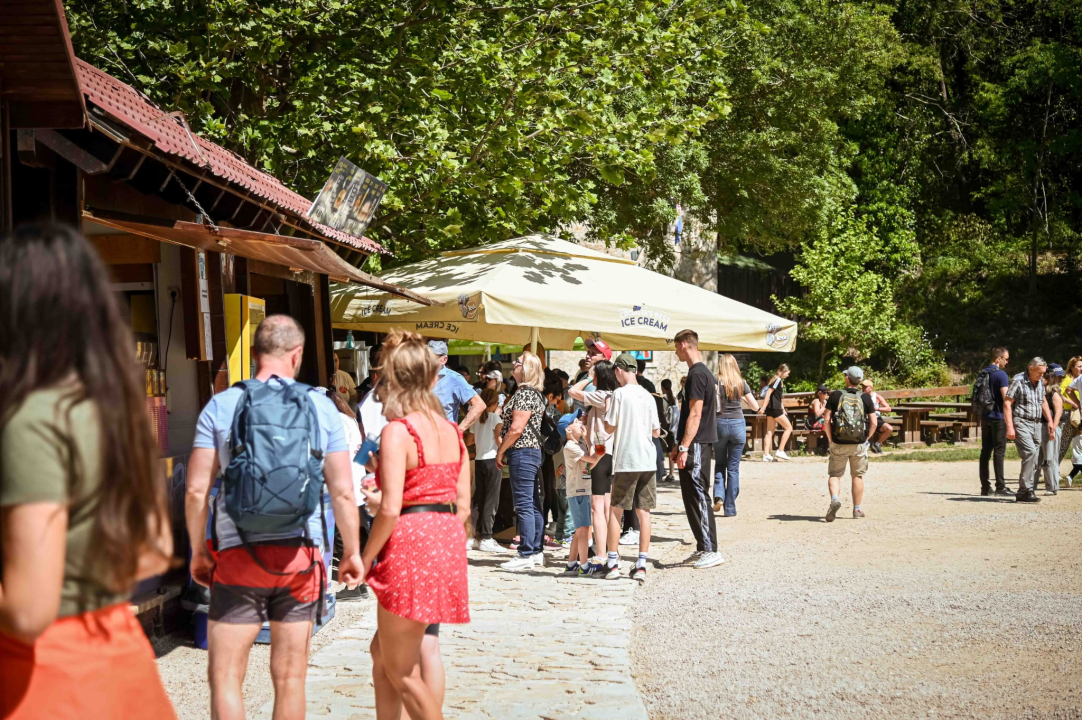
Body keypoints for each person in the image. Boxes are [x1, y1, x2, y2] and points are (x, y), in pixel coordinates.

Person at [0, 224, 176, 720]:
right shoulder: (114, 409)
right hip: (121, 660)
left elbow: (30, 608)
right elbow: (154, 551)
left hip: (47, 679)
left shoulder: (33, 418)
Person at [186, 315, 362, 720]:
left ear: (253, 354)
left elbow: (197, 490)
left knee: (226, 676)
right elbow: (342, 490)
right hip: (302, 559)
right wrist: (351, 551)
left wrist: (199, 549)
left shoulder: (223, 404)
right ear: (297, 355)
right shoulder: (321, 406)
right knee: (289, 679)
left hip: (237, 555)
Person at [360, 329, 470, 720]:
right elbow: (463, 507)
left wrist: (364, 557)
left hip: (411, 544)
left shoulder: (398, 431)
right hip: (446, 541)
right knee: (385, 653)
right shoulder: (453, 431)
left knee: (401, 669)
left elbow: (388, 508)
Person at [603, 353, 662, 582]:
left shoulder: (618, 394)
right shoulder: (648, 396)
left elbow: (609, 428)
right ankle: (641, 563)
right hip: (647, 459)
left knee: (616, 510)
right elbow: (656, 432)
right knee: (644, 512)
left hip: (627, 458)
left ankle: (612, 563)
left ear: (619, 370)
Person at [671, 329, 723, 569]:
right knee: (691, 497)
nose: (675, 351)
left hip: (697, 444)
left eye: (676, 347)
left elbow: (695, 413)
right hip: (693, 443)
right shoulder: (700, 374)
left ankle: (711, 548)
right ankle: (703, 546)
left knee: (699, 494)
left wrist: (684, 446)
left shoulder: (698, 374)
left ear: (684, 345)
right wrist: (678, 444)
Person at [496, 351, 548, 570]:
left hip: (522, 451)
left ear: (525, 369)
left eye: (517, 362)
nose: (514, 364)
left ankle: (526, 553)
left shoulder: (525, 394)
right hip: (531, 451)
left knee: (525, 503)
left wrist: (501, 450)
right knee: (533, 503)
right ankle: (535, 550)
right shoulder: (533, 393)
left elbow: (517, 428)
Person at [568, 359, 618, 576]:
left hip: (599, 453)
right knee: (606, 507)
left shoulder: (602, 395)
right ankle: (608, 551)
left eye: (594, 374)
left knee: (597, 507)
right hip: (610, 453)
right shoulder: (614, 396)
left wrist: (587, 377)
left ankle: (601, 556)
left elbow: (572, 391)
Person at [329, 391, 371, 602]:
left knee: (344, 538)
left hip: (344, 487)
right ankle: (359, 584)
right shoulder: (349, 419)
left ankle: (353, 585)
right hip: (355, 483)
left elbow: (337, 455)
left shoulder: (336, 421)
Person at [822, 366, 877, 521]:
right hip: (858, 443)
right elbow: (873, 422)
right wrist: (867, 438)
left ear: (847, 378)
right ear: (859, 381)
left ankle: (835, 499)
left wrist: (830, 437)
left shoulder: (836, 395)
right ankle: (857, 509)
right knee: (857, 476)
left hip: (838, 441)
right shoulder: (865, 397)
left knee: (835, 474)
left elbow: (826, 419)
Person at [713, 354, 759, 516]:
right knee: (733, 469)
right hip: (737, 425)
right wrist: (743, 400)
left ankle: (719, 495)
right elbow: (755, 407)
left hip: (719, 425)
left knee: (720, 464)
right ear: (734, 365)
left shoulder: (715, 381)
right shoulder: (741, 383)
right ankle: (730, 508)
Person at [558, 411, 602, 575]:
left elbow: (593, 462)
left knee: (580, 529)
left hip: (583, 489)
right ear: (568, 431)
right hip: (578, 491)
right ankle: (584, 566)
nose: (579, 421)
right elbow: (596, 456)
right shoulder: (571, 447)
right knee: (583, 529)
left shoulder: (580, 445)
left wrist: (591, 440)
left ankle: (571, 564)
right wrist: (593, 438)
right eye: (575, 421)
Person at [1004, 357, 1054, 503]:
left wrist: (1049, 420)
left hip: (1037, 424)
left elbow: (1043, 400)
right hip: (1021, 422)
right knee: (1030, 452)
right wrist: (1010, 427)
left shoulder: (1040, 382)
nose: (1041, 375)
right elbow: (1007, 403)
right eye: (1039, 372)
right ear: (1030, 368)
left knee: (1034, 457)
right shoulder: (1018, 380)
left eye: (1043, 373)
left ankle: (1024, 491)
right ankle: (1026, 489)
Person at [469, 388, 505, 553]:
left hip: (479, 460)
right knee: (492, 500)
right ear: (496, 403)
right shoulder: (495, 418)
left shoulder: (477, 418)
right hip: (492, 461)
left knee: (478, 499)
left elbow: (469, 440)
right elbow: (499, 440)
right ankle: (487, 536)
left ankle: (472, 536)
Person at [976, 347, 1013, 497]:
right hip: (998, 416)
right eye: (1006, 359)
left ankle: (985, 487)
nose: (1007, 362)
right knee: (999, 452)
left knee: (985, 451)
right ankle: (1001, 487)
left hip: (985, 415)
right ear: (998, 359)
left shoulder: (983, 373)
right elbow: (1006, 397)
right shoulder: (1001, 375)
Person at [428, 340, 485, 431]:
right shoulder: (419, 376)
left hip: (444, 438)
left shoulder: (454, 378)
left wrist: (459, 431)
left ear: (444, 359)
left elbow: (479, 405)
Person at [758, 364, 792, 461]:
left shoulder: (774, 380)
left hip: (771, 408)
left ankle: (766, 454)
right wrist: (763, 407)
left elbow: (777, 396)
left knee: (770, 431)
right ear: (783, 371)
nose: (788, 375)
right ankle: (780, 450)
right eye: (787, 373)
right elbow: (769, 393)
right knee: (789, 428)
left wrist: (783, 408)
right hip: (774, 408)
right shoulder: (778, 380)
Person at [1040, 364, 1065, 495]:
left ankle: (1052, 486)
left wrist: (1053, 429)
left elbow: (1058, 413)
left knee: (1050, 458)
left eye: (1043, 377)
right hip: (1041, 427)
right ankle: (1050, 485)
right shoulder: (1043, 392)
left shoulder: (1054, 394)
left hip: (1051, 428)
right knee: (1044, 458)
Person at [860, 378, 893, 454]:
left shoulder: (876, 397)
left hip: (876, 418)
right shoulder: (860, 396)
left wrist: (877, 409)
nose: (863, 388)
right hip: (865, 419)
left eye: (865, 386)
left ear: (871, 388)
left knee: (889, 428)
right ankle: (864, 446)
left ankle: (877, 443)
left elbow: (888, 408)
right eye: (862, 386)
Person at [1063, 357, 1082, 483]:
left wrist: (1079, 404)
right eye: (1079, 366)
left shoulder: (1079, 378)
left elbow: (1069, 391)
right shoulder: (1070, 379)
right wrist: (1077, 404)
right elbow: (1065, 391)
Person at [660, 379, 679, 480]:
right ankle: (671, 473)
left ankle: (662, 470)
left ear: (662, 387)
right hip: (673, 427)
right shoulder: (674, 398)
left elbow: (662, 413)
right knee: (671, 450)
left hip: (665, 426)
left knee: (660, 449)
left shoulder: (662, 399)